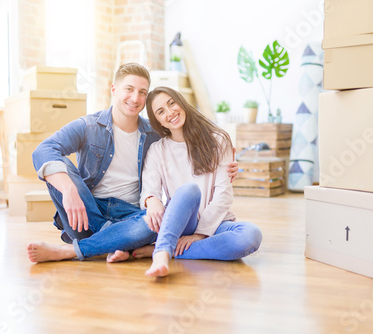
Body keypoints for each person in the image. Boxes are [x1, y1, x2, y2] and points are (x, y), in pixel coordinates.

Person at [27, 63, 238, 263]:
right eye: (129, 89)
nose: (135, 98)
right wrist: (69, 190)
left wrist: (224, 161)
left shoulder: (154, 134)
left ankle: (81, 248)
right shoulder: (88, 126)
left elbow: (183, 150)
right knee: (59, 164)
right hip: (87, 212)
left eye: (142, 92)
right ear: (114, 89)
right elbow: (43, 150)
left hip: (131, 215)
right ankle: (114, 239)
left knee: (156, 222)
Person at [133, 86, 262, 278]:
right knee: (188, 191)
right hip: (181, 221)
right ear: (157, 121)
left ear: (181, 102)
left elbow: (223, 195)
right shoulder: (157, 150)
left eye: (172, 103)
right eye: (161, 112)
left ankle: (162, 250)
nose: (170, 112)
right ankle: (163, 251)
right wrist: (152, 199)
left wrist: (200, 234)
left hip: (215, 223)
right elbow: (150, 189)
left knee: (251, 235)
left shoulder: (218, 140)